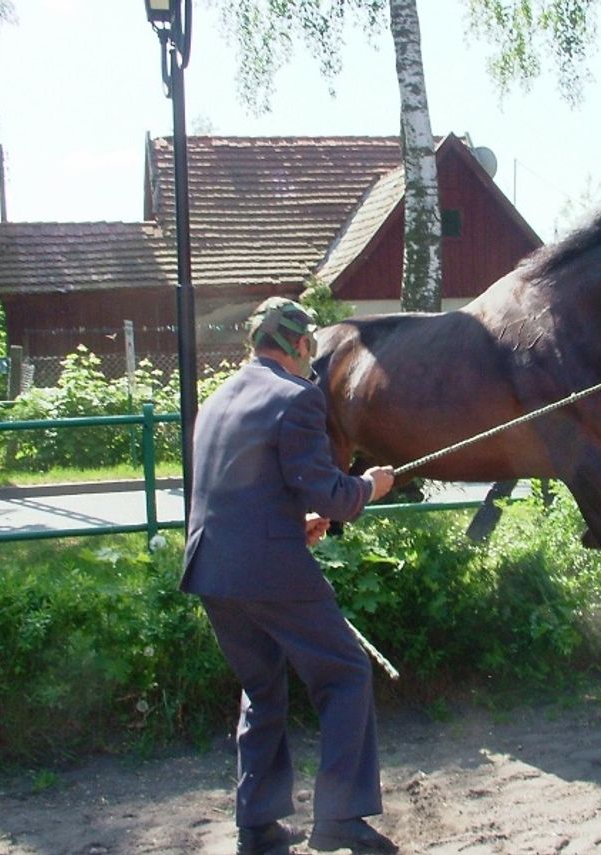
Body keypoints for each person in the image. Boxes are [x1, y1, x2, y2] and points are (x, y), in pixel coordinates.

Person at [180, 296, 400, 855]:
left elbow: (236, 490)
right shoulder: (298, 398)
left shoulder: (217, 399)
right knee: (345, 675)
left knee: (261, 688)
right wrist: (369, 487)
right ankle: (339, 820)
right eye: (312, 352)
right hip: (269, 570)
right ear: (300, 345)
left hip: (211, 568)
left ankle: (256, 826)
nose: (312, 363)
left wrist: (290, 522)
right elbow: (331, 492)